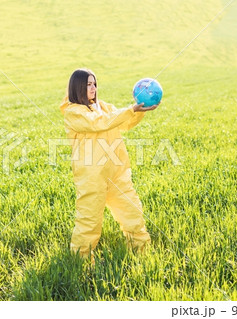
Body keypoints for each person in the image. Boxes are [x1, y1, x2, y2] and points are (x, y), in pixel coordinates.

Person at [60, 68, 160, 263]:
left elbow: (123, 122)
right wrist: (131, 109)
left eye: (94, 84)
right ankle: (80, 261)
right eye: (88, 84)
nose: (93, 88)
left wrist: (139, 111)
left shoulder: (103, 107)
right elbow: (99, 123)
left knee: (132, 214)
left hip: (116, 172)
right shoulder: (73, 112)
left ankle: (142, 253)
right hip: (91, 177)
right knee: (89, 222)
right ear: (77, 86)